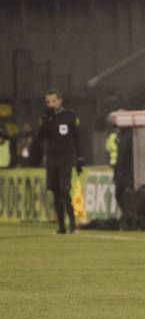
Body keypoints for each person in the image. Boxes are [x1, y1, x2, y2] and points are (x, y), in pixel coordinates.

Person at [32, 90, 84, 235]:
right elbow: (40, 138)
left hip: (67, 157)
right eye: (48, 102)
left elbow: (78, 137)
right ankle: (61, 227)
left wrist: (80, 158)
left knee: (64, 189)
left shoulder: (70, 115)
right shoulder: (45, 117)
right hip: (52, 158)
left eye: (53, 101)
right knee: (55, 192)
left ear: (60, 100)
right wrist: (45, 122)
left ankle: (73, 225)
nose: (51, 104)